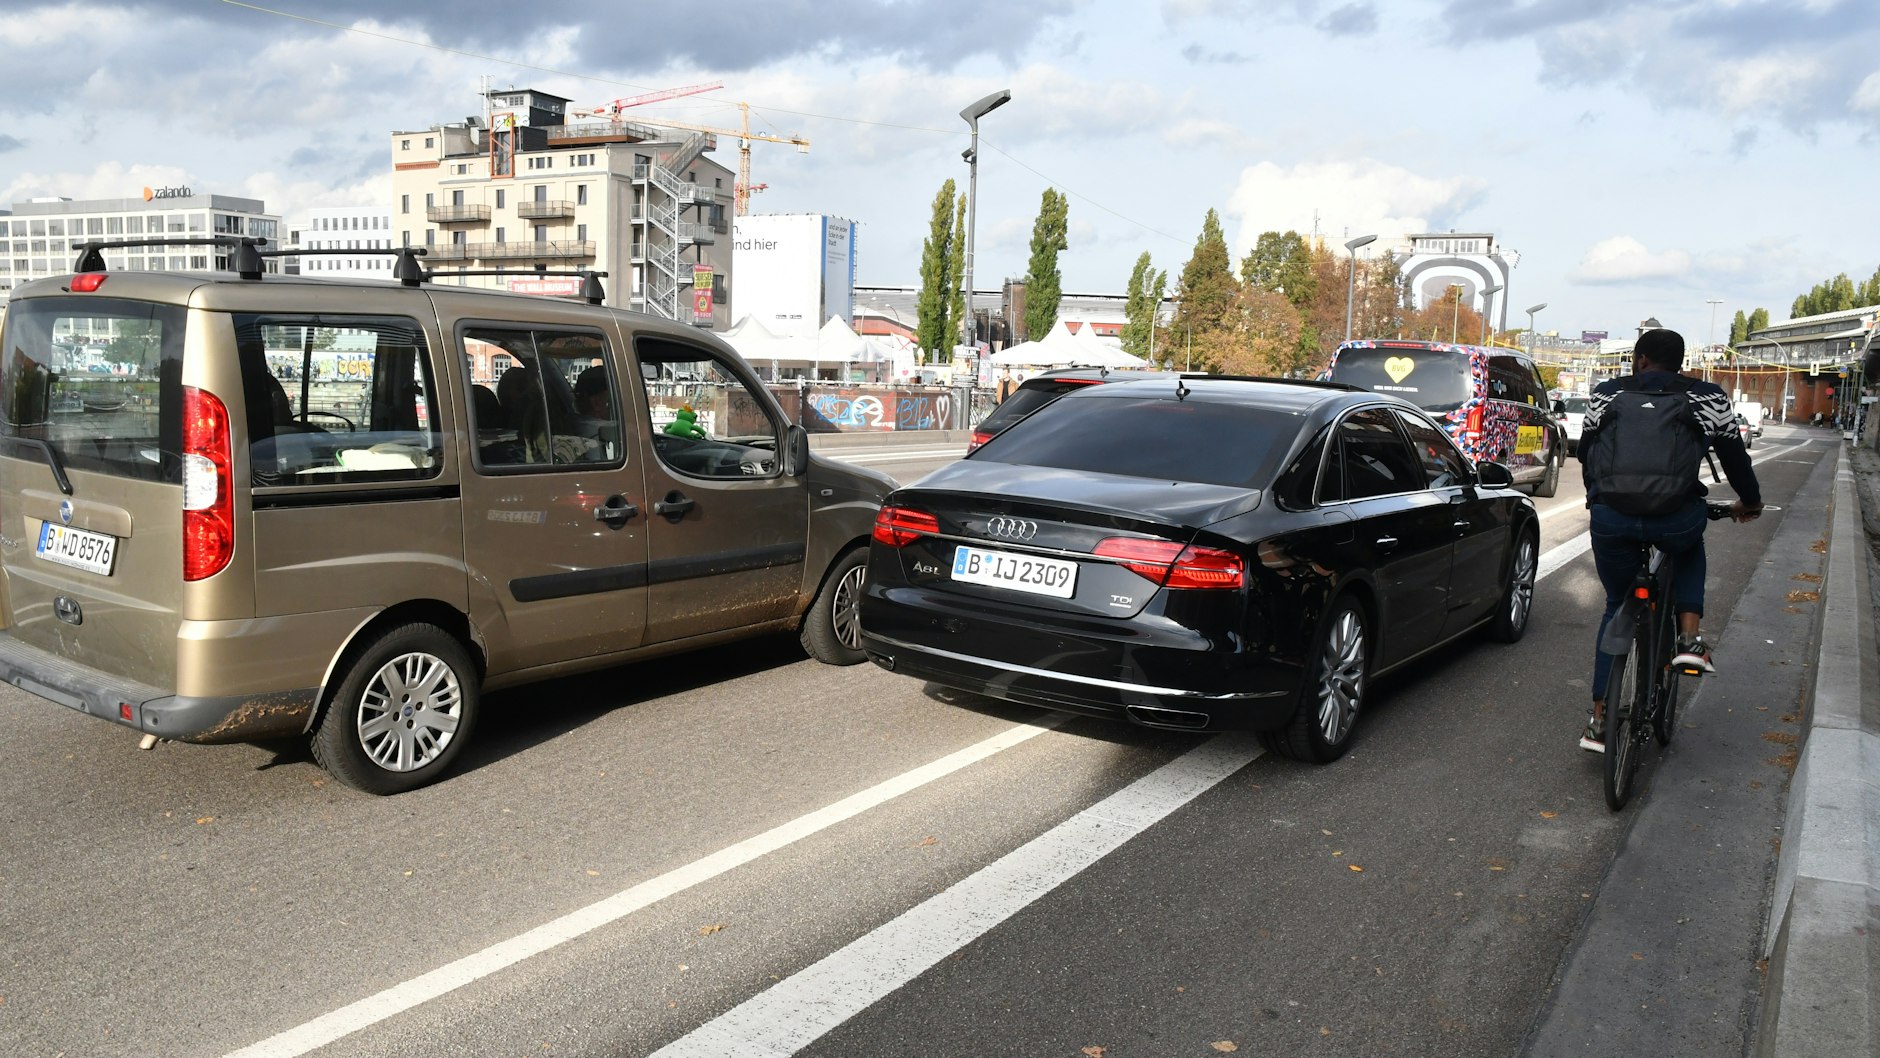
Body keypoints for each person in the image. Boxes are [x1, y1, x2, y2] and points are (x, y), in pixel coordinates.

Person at [1577, 328, 1762, 752]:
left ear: (1640, 359)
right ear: (1680, 363)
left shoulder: (1607, 393)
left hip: (1612, 519)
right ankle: (1690, 639)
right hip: (1674, 517)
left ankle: (1600, 719)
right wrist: (1749, 502)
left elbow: (1586, 452)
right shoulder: (1707, 397)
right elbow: (1734, 457)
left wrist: (1599, 500)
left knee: (1616, 604)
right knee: (1690, 545)